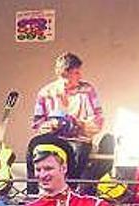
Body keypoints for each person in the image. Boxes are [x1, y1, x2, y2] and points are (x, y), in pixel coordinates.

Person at [29, 52, 104, 194]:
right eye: (76, 73)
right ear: (64, 73)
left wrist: (79, 123)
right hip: (54, 138)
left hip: (78, 138)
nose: (80, 76)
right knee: (34, 145)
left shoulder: (87, 91)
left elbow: (98, 120)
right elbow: (37, 123)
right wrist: (49, 126)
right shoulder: (46, 92)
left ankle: (70, 191)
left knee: (78, 151)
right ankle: (32, 192)